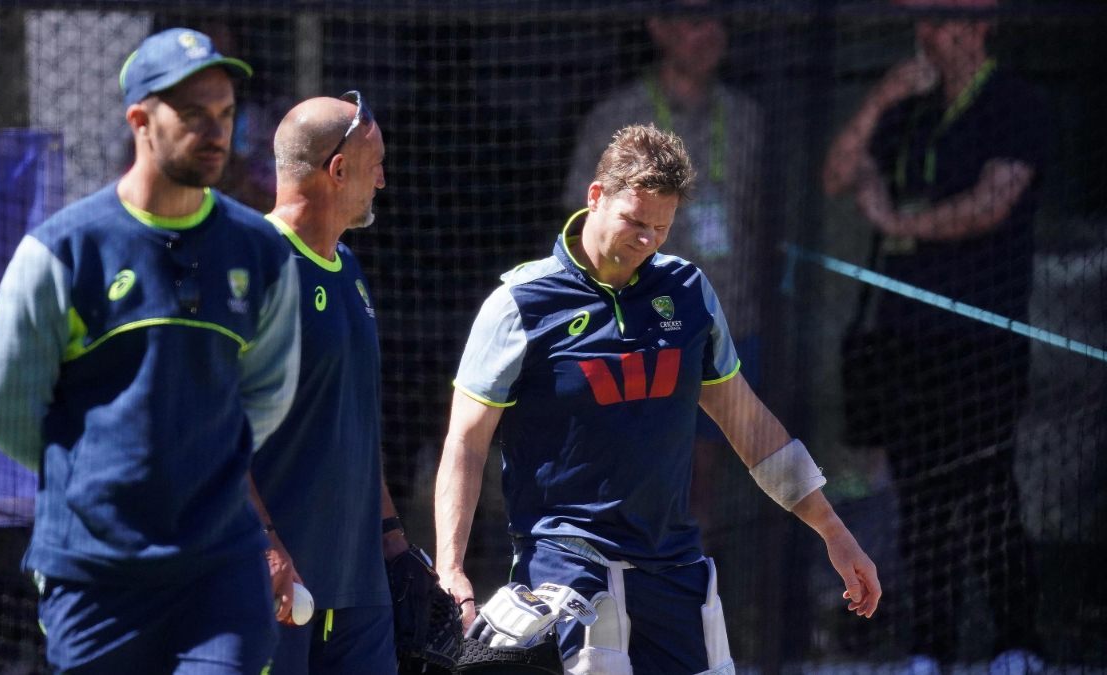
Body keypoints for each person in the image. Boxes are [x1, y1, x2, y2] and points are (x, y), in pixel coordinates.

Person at [436, 124, 881, 674]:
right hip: (566, 570)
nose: (647, 240)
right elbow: (466, 442)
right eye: (635, 221)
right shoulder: (520, 302)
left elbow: (748, 424)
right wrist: (450, 567)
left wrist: (834, 532)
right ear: (595, 196)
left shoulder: (688, 291)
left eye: (661, 228)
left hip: (674, 569)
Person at [0, 28, 301, 673]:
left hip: (219, 567)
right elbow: (6, 410)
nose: (215, 131)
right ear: (139, 122)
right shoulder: (61, 251)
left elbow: (267, 393)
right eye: (193, 114)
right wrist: (99, 475)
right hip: (94, 573)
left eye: (226, 113)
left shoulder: (261, 252)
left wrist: (195, 467)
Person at [821, 0, 1046, 671]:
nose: (927, 33)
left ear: (980, 26)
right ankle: (929, 645)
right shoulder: (910, 108)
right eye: (922, 20)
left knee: (985, 488)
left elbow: (992, 202)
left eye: (943, 19)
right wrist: (880, 99)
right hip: (904, 338)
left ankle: (1016, 640)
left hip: (982, 336)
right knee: (917, 496)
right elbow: (838, 176)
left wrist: (899, 223)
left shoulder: (1015, 102)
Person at [249, 92, 444, 673]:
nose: (382, 180)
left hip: (361, 589)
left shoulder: (351, 268)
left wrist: (393, 541)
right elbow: (208, 432)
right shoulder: (253, 267)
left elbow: (351, 421)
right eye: (374, 165)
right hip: (274, 585)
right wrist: (264, 546)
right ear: (337, 170)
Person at [562, 1, 766, 532]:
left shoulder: (746, 118)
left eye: (717, 18)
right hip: (640, 332)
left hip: (731, 319)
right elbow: (581, 224)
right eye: (696, 20)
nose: (710, 33)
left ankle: (696, 567)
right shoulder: (618, 118)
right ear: (659, 28)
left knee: (710, 476)